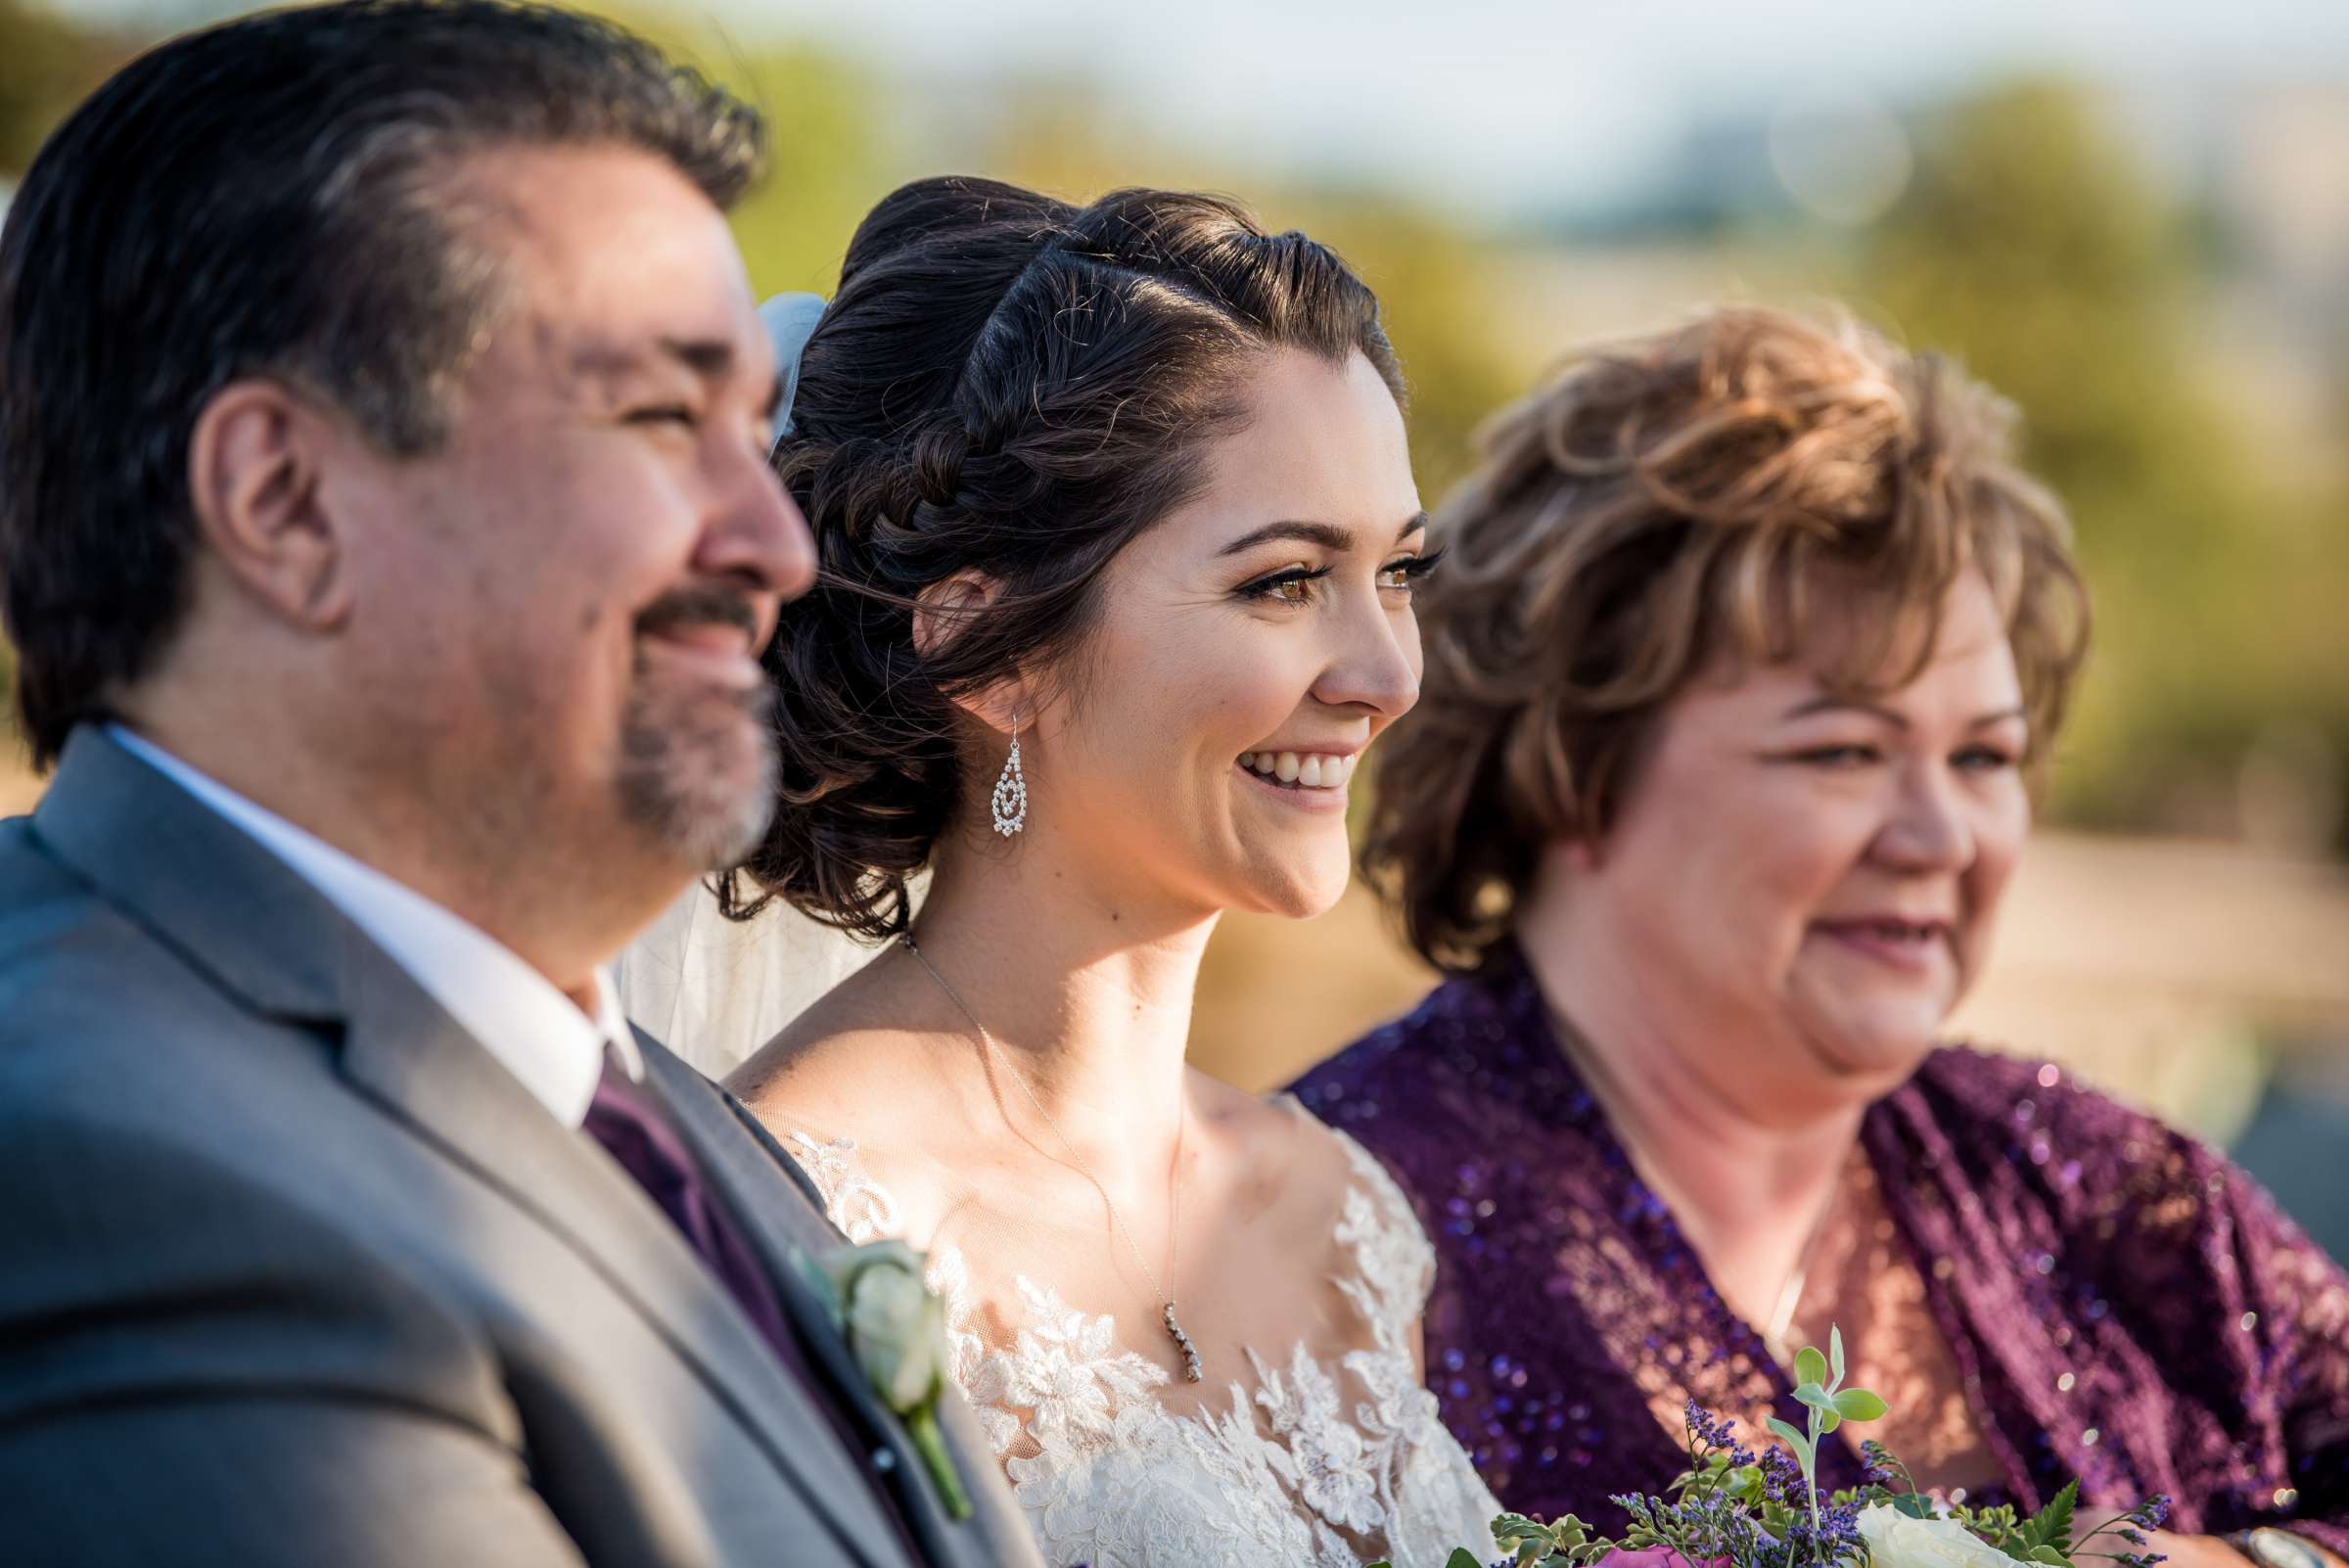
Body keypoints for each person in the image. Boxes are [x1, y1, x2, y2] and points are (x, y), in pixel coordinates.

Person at [0, 7, 1038, 1566]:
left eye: (752, 435)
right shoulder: (111, 1170)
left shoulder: (684, 1114)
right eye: (654, 420)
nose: (778, 548)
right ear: (285, 502)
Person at [1291, 307, 2349, 1567]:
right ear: (1572, 770)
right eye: (1844, 751)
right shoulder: (1321, 1242)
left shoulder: (2109, 1195)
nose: (1942, 833)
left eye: (1985, 756)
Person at [714, 176, 1504, 1568]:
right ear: (993, 650)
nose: (1386, 676)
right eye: (1282, 581)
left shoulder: (1337, 1211)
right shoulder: (793, 1229)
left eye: (1398, 571)